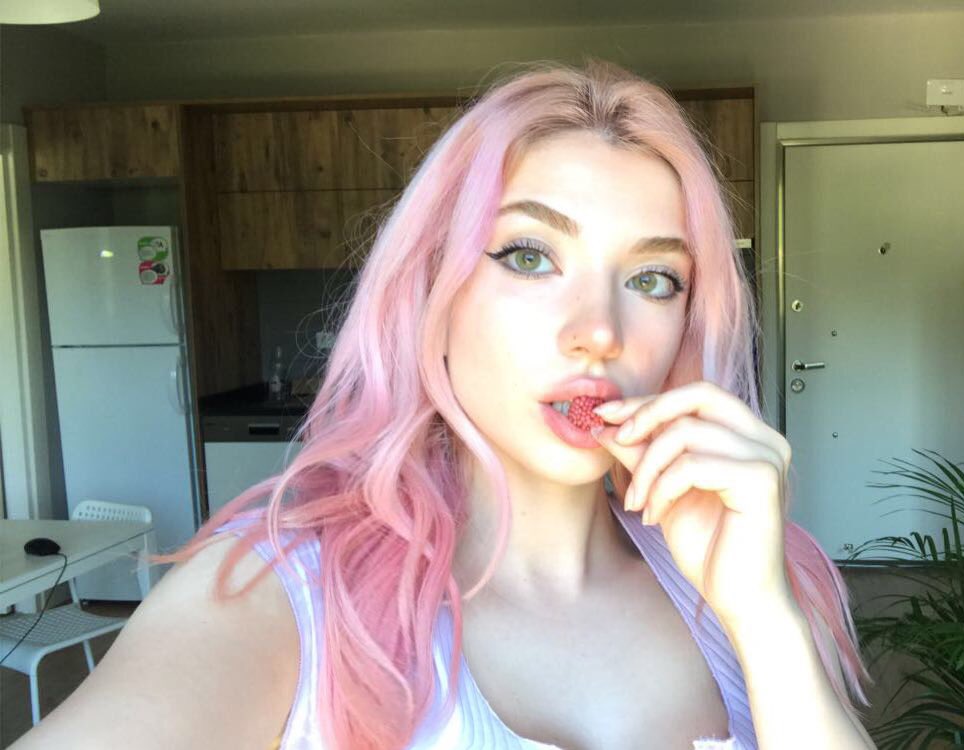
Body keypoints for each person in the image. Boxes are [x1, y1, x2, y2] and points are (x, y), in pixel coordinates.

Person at [14, 59, 874, 750]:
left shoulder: (747, 582)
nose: (599, 333)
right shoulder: (273, 595)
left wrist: (764, 617)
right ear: (435, 293)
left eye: (653, 279)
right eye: (529, 257)